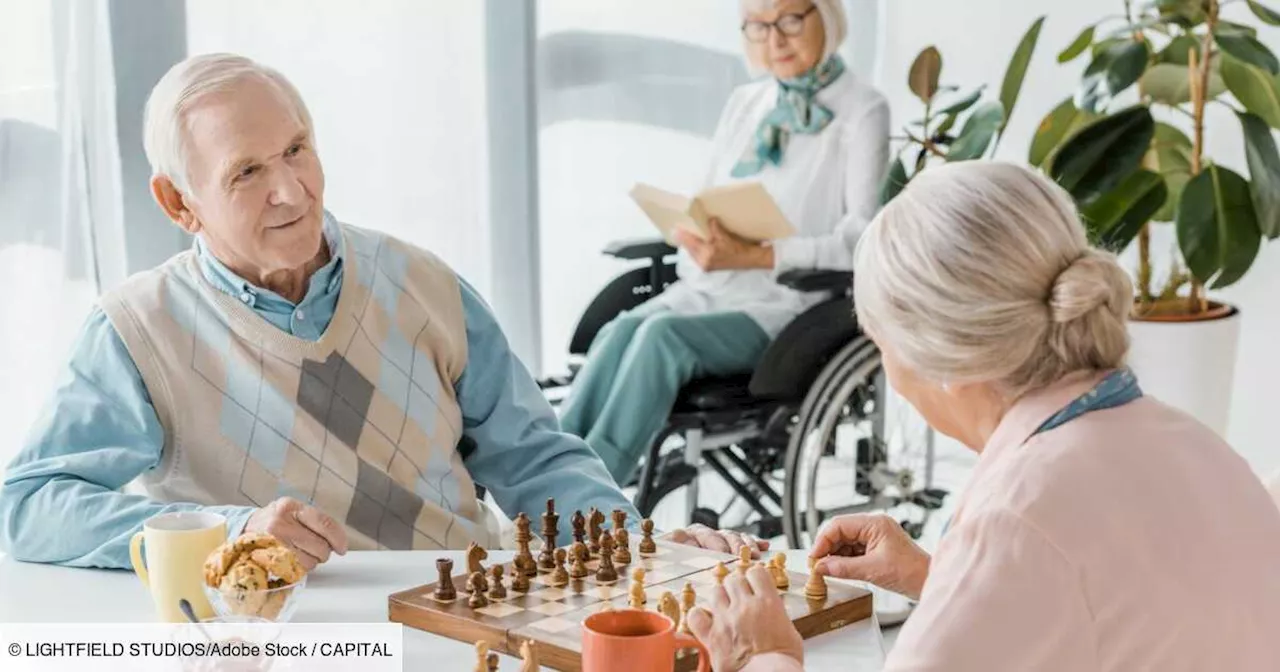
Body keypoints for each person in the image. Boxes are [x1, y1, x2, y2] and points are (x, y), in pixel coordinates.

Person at [0, 53, 760, 571]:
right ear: (178, 202)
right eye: (248, 172)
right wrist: (224, 536)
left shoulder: (424, 284)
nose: (292, 191)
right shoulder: (139, 331)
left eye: (298, 150)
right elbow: (29, 507)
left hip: (457, 616)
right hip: (290, 642)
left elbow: (534, 459)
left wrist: (641, 548)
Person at [685, 162, 1280, 671]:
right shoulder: (1197, 446)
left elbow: (1045, 550)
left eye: (880, 343)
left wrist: (760, 655)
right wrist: (939, 577)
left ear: (943, 359)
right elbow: (1111, 610)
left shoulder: (1019, 517)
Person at [558, 0, 890, 485]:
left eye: (791, 20)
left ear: (829, 16)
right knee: (620, 329)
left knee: (659, 338)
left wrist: (760, 255)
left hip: (789, 307)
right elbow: (710, 197)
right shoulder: (746, 103)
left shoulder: (863, 109)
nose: (774, 39)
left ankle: (588, 491)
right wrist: (699, 235)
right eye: (757, 26)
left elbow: (863, 239)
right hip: (716, 286)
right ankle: (552, 465)